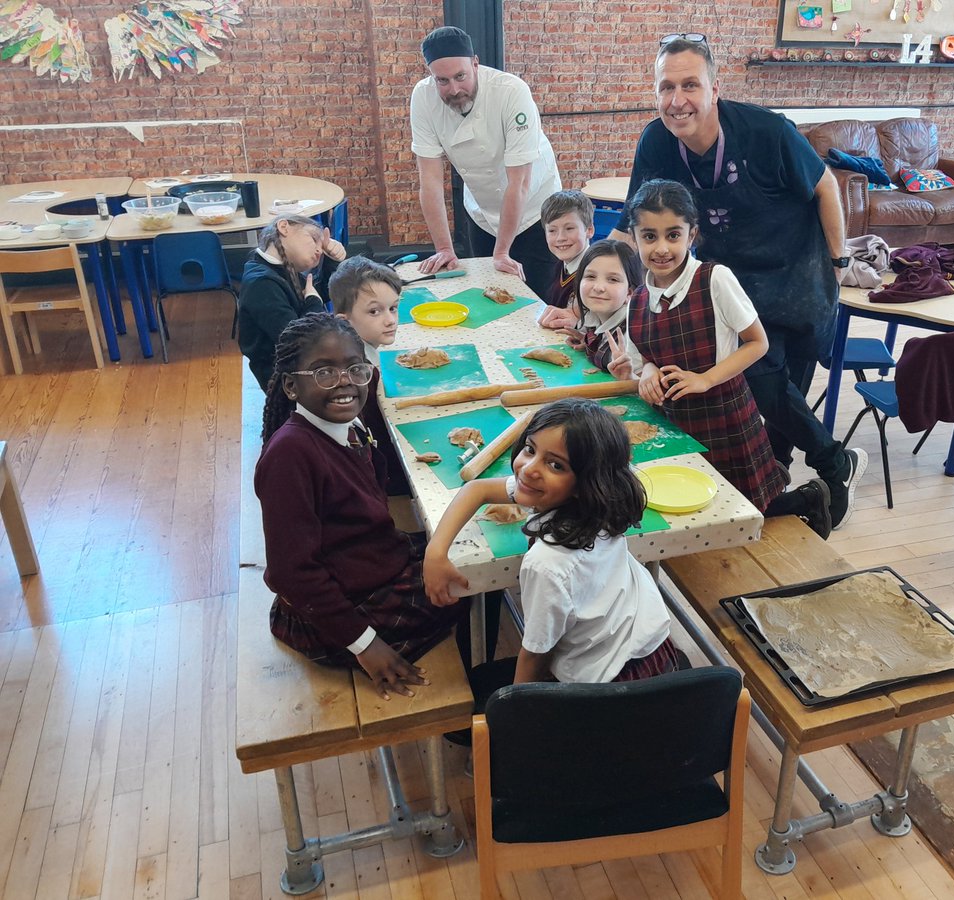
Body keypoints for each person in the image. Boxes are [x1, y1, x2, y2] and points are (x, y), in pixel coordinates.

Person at [609, 35, 866, 529]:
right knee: (760, 377)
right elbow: (630, 223)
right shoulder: (656, 141)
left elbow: (826, 186)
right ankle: (830, 464)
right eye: (666, 87)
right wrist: (591, 283)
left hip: (800, 275)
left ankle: (786, 481)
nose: (677, 100)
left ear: (714, 89)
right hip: (731, 279)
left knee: (785, 390)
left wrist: (838, 261)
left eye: (690, 85)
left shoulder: (767, 132)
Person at [254, 313, 465, 699]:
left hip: (370, 564)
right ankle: (464, 709)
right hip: (337, 611)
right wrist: (366, 645)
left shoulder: (346, 425)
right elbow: (291, 573)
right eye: (323, 373)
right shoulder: (290, 455)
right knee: (464, 585)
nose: (345, 382)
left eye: (355, 368)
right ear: (290, 386)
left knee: (457, 556)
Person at [614, 179, 832, 538]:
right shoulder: (637, 299)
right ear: (633, 238)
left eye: (673, 234)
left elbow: (757, 343)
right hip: (675, 420)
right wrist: (649, 373)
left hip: (724, 414)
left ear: (692, 233)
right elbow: (643, 359)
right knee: (692, 503)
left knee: (742, 502)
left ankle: (806, 501)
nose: (662, 247)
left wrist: (706, 379)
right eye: (649, 236)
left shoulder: (714, 279)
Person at [423, 398, 679, 686]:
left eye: (556, 465)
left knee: (482, 686)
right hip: (652, 646)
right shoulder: (603, 499)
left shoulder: (547, 564)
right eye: (530, 449)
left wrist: (517, 712)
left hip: (608, 687)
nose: (529, 469)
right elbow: (477, 488)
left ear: (586, 484)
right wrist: (435, 552)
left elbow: (536, 653)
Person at [410, 25, 562, 298]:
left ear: (475, 64)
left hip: (534, 211)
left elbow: (520, 183)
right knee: (488, 296)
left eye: (460, 76)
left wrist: (502, 251)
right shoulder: (423, 98)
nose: (454, 89)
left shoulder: (511, 92)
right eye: (442, 81)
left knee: (535, 300)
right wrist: (444, 248)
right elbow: (430, 181)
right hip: (482, 211)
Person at [328, 256, 409, 496]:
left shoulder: (354, 350)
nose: (390, 320)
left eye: (393, 308)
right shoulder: (359, 374)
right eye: (375, 311)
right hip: (374, 484)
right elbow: (377, 441)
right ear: (345, 320)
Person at [238, 215, 346, 391]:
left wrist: (331, 261)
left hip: (299, 373)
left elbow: (319, 292)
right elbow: (300, 340)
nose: (320, 251)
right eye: (313, 239)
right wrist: (313, 302)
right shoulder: (262, 283)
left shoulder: (279, 270)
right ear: (284, 227)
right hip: (288, 386)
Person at [560, 239, 641, 375]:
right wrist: (589, 342)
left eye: (613, 279)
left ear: (629, 292)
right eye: (591, 276)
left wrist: (630, 377)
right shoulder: (592, 316)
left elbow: (645, 387)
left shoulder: (633, 336)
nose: (598, 287)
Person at [537, 189, 594, 329]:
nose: (560, 238)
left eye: (569, 228)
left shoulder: (596, 274)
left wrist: (578, 325)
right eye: (552, 230)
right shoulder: (560, 265)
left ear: (589, 230)